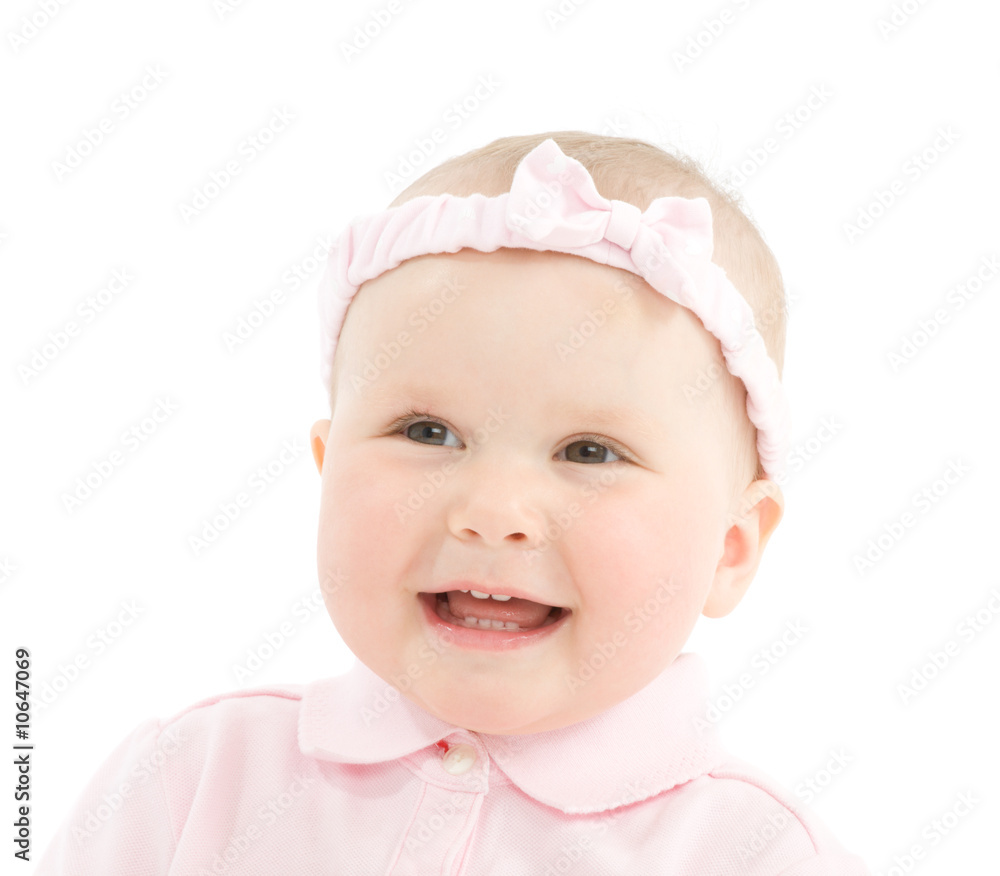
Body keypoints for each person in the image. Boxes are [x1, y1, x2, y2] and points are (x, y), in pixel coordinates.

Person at [35, 130, 870, 874]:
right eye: (427, 432)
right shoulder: (193, 781)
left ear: (732, 547)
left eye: (589, 451)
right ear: (328, 468)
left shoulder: (755, 855)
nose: (492, 509)